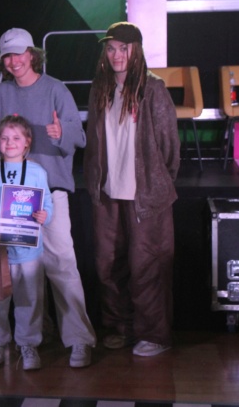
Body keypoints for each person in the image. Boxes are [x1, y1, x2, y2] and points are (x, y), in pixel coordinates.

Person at [0, 28, 96, 368]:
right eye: (7, 56)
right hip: (10, 198)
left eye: (19, 53)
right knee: (10, 273)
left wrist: (61, 133)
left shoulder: (56, 89)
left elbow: (79, 138)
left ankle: (79, 340)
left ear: (32, 54)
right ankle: (17, 342)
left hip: (50, 193)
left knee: (61, 266)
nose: (14, 61)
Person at [83, 22, 180, 357]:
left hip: (145, 195)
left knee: (147, 266)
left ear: (136, 50)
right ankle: (120, 328)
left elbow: (169, 147)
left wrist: (156, 184)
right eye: (111, 48)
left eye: (123, 48)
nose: (116, 55)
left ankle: (155, 335)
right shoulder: (100, 87)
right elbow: (94, 140)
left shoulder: (153, 89)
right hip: (108, 193)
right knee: (108, 265)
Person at [0, 115, 53, 370]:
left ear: (27, 142)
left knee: (29, 299)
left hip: (28, 250)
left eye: (16, 138)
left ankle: (28, 345)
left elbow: (47, 204)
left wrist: (45, 215)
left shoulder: (37, 172)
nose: (10, 143)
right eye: (4, 138)